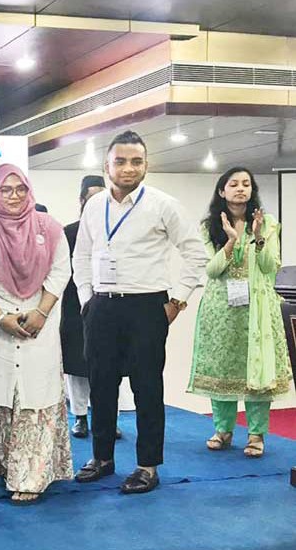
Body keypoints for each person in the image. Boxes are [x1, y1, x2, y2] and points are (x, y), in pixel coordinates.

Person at [72, 130, 207, 494]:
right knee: (101, 386)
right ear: (106, 165)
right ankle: (101, 458)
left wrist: (176, 302)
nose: (128, 168)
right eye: (120, 161)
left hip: (148, 307)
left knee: (147, 388)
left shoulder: (163, 204)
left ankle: (148, 465)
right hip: (101, 307)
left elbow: (196, 253)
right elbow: (81, 255)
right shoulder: (94, 206)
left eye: (136, 161)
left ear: (146, 165)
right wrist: (87, 298)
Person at [0, 163, 73, 504]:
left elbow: (61, 271)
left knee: (35, 399)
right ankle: (6, 469)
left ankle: (30, 477)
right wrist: (0, 315)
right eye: (6, 189)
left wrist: (41, 312)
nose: (14, 196)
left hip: (39, 321)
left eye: (20, 189)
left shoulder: (50, 227)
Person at [189, 167, 293, 458]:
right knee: (223, 370)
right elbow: (211, 270)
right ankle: (223, 430)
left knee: (257, 370)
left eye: (246, 183)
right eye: (233, 184)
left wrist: (258, 237)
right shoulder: (210, 226)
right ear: (222, 191)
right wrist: (232, 241)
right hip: (222, 309)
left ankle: (257, 434)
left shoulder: (268, 223)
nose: (240, 189)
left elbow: (271, 266)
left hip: (258, 308)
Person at [60, 175, 130, 439]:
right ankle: (79, 417)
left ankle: (109, 420)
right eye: (92, 197)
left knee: (111, 366)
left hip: (113, 307)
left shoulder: (122, 228)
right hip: (75, 307)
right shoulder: (67, 232)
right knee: (77, 368)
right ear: (81, 200)